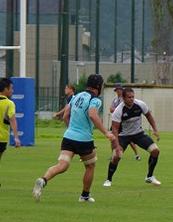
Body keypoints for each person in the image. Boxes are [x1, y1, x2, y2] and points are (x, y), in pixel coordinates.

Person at [32, 74, 117, 203]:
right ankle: (85, 195)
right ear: (99, 86)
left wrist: (71, 130)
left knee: (62, 165)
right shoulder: (95, 100)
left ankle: (43, 180)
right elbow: (92, 114)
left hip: (68, 137)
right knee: (90, 166)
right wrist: (106, 132)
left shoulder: (76, 96)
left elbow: (65, 116)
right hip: (84, 139)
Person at [103, 87, 162, 187]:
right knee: (116, 156)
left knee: (155, 151)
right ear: (123, 98)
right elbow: (115, 130)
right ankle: (109, 179)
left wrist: (155, 130)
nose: (131, 99)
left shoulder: (140, 105)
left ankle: (150, 176)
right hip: (123, 136)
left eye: (133, 97)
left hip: (138, 134)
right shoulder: (119, 111)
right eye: (129, 97)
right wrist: (117, 145)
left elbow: (149, 116)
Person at [109, 83, 140, 161]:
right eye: (117, 90)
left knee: (130, 140)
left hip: (124, 121)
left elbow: (122, 108)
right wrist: (116, 109)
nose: (118, 91)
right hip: (116, 121)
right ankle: (114, 154)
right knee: (112, 138)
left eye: (120, 90)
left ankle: (137, 154)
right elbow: (111, 109)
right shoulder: (114, 99)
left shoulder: (124, 99)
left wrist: (115, 109)